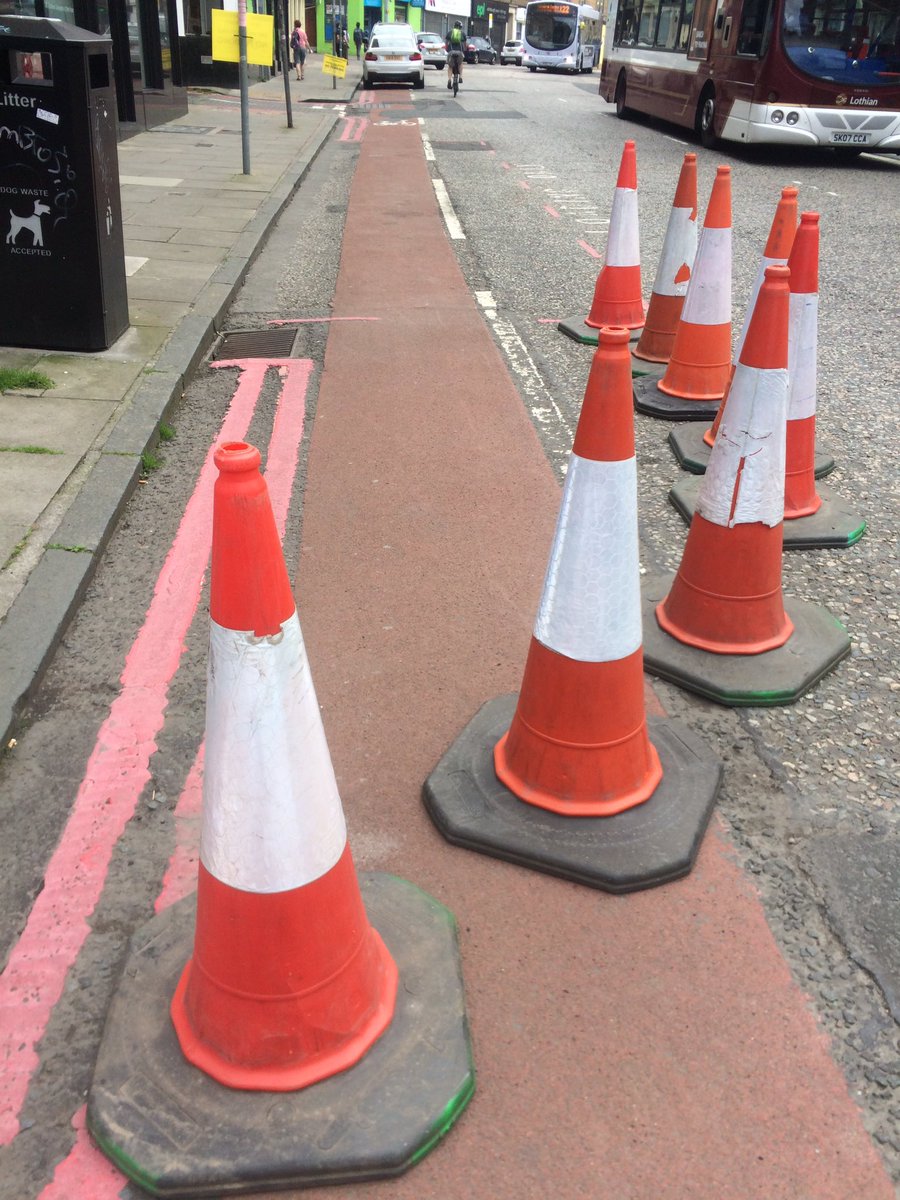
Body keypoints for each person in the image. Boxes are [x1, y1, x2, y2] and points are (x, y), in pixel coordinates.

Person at [446, 20, 465, 89]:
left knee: (450, 66)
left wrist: (447, 50)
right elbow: (465, 44)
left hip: (451, 52)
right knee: (460, 64)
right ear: (460, 27)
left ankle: (449, 80)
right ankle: (461, 77)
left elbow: (447, 42)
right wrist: (464, 50)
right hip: (459, 52)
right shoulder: (462, 33)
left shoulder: (450, 32)